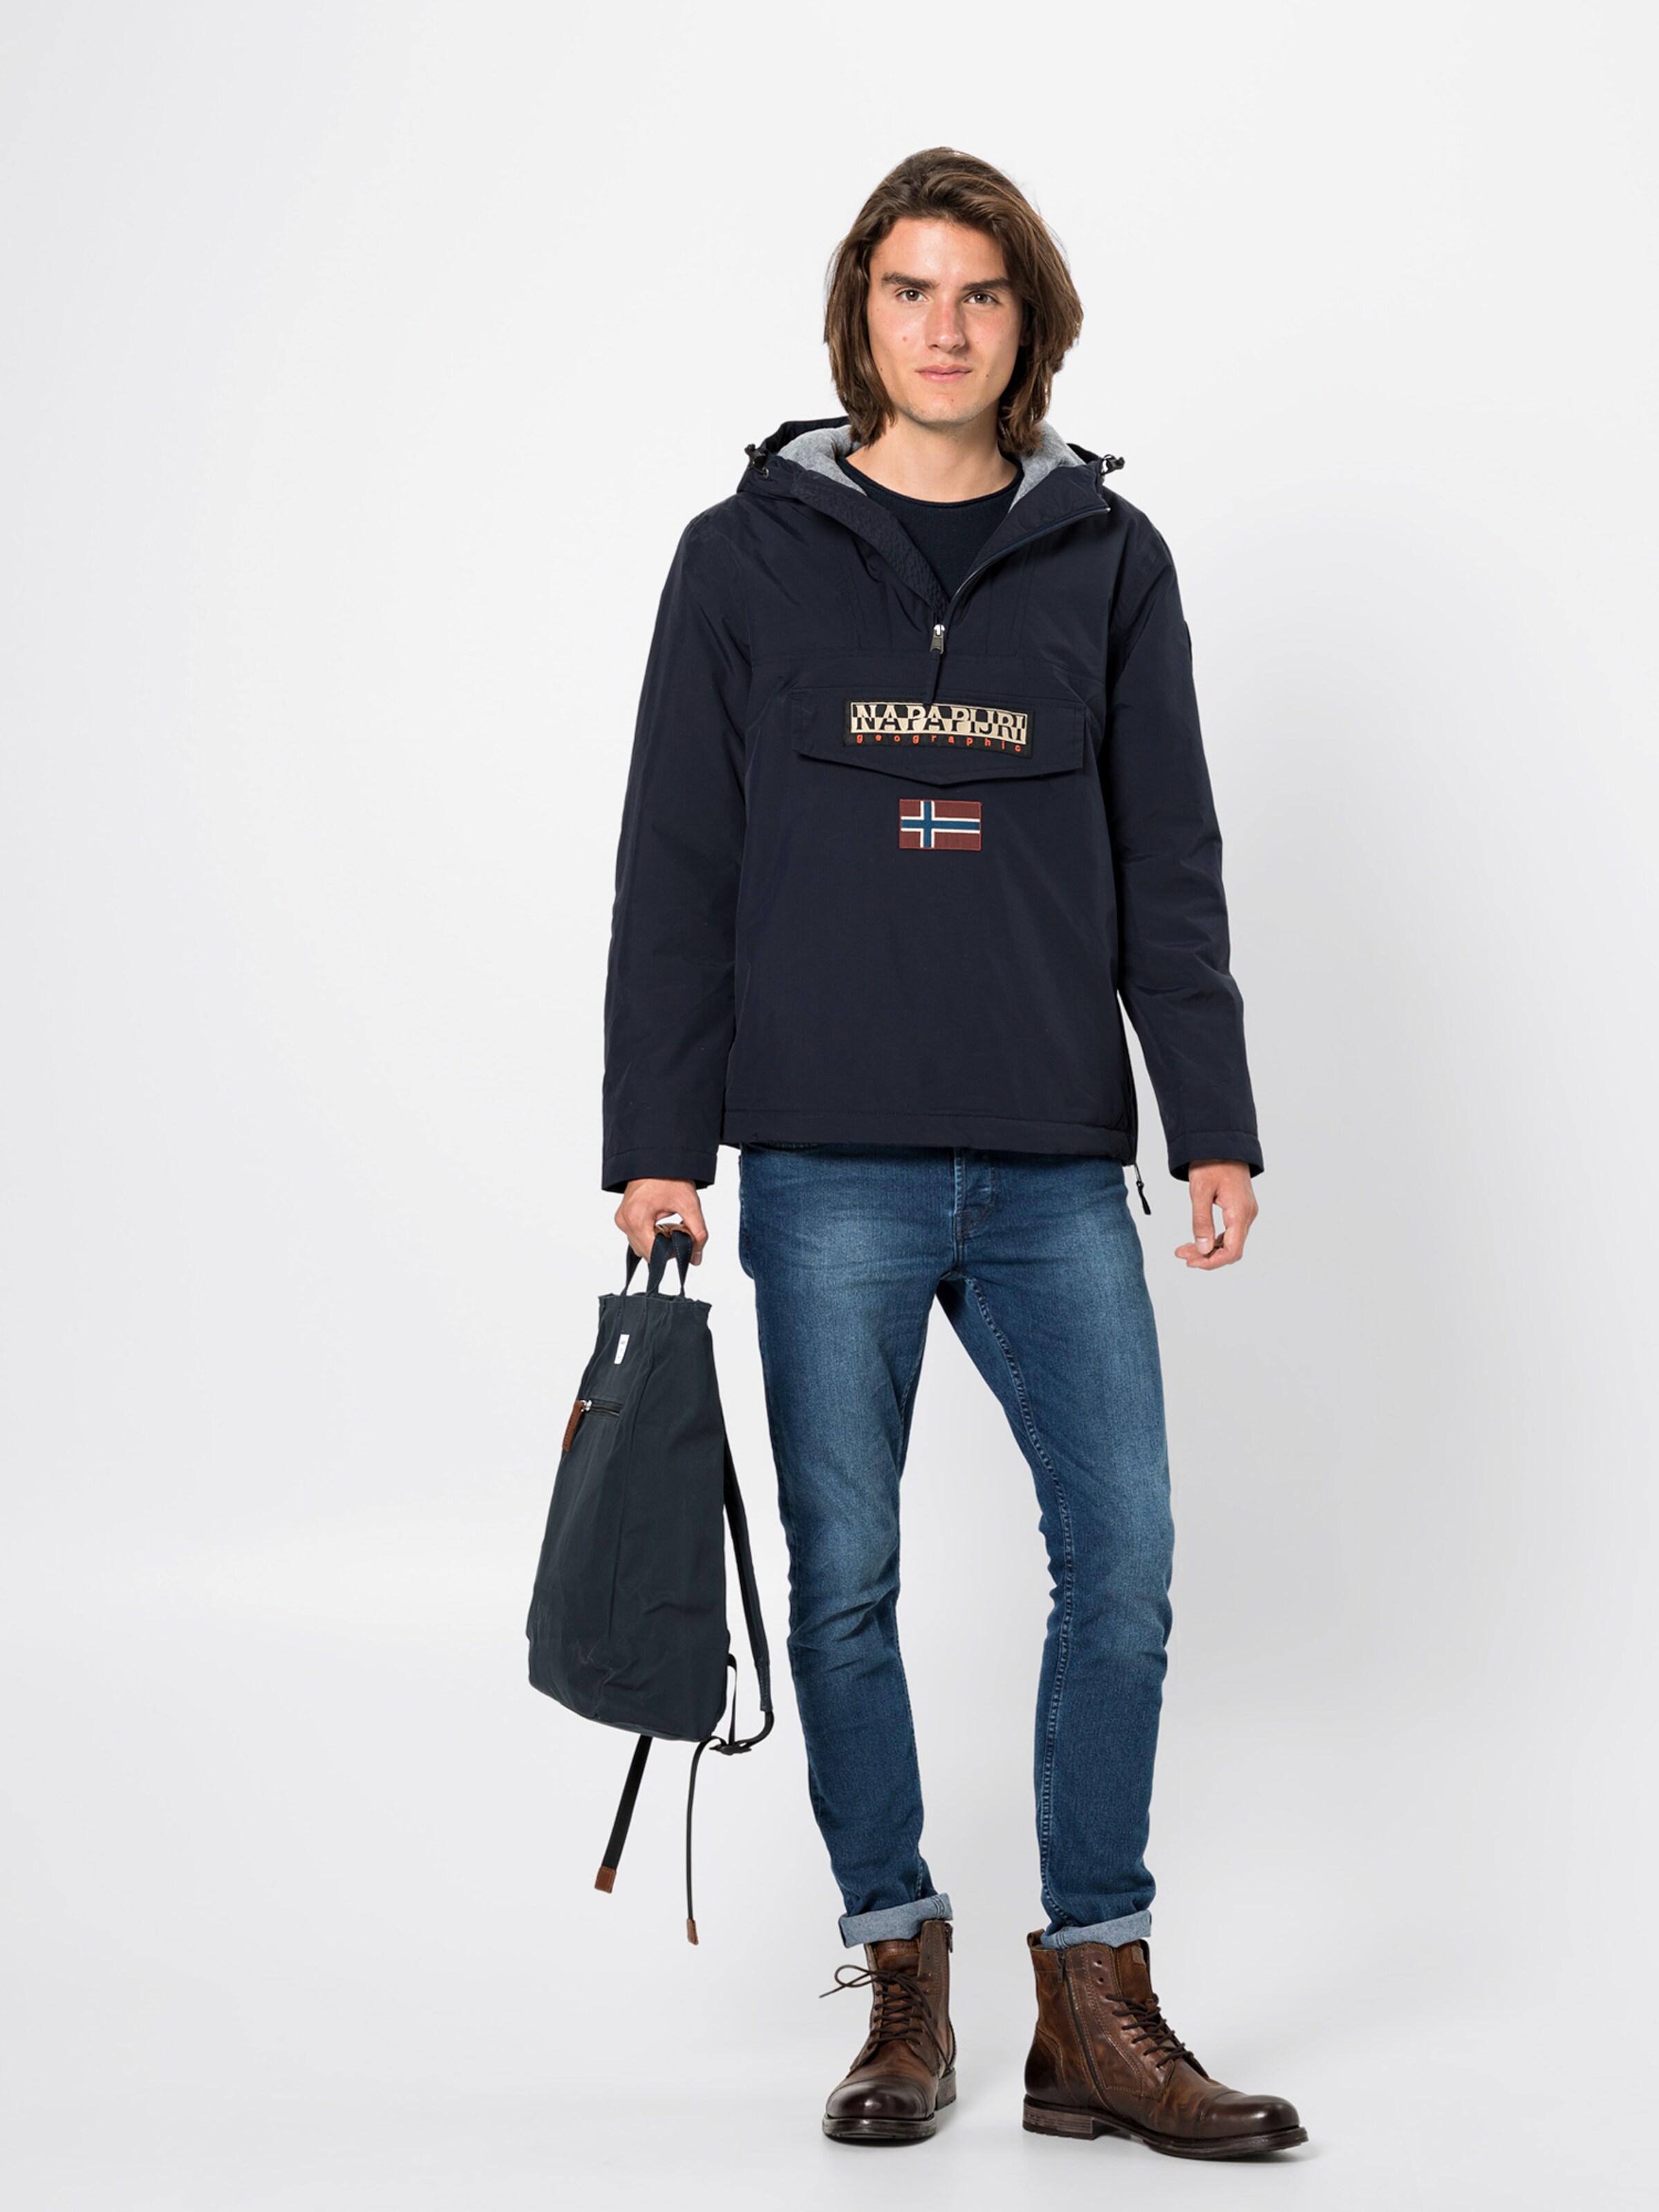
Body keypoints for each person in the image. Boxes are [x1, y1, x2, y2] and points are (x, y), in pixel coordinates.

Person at [599, 146, 1305, 2159]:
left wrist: (1212, 1118)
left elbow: (1170, 860)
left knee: (1125, 1564)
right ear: (861, 316)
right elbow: (677, 861)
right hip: (824, 1162)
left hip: (1054, 1160)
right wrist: (658, 1136)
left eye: (979, 294)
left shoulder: (1110, 559)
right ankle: (898, 1971)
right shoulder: (740, 560)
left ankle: (1097, 2000)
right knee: (846, 1582)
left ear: (1028, 325)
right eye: (909, 290)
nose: (943, 326)